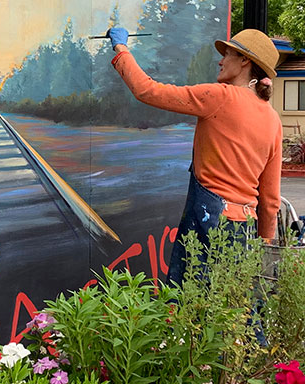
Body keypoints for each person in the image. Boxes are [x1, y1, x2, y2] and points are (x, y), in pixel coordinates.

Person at [107, 25, 283, 283]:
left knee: (188, 304)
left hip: (208, 219)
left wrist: (120, 48)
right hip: (244, 227)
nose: (221, 61)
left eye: (229, 55)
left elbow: (147, 90)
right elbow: (270, 196)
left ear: (245, 60)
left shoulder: (219, 96)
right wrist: (263, 243)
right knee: (231, 309)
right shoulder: (273, 119)